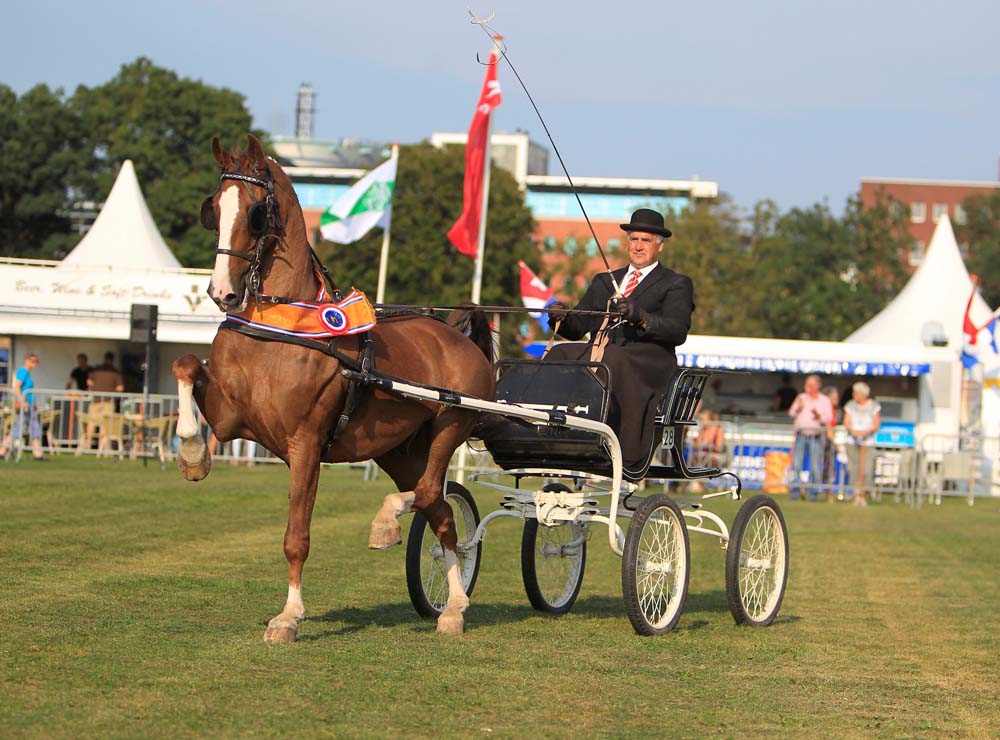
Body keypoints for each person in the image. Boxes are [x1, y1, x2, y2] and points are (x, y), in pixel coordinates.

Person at [546, 208, 694, 474]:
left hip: (648, 361)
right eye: (634, 239)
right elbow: (577, 327)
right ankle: (549, 433)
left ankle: (627, 454)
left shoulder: (675, 283)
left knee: (611, 358)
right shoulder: (605, 281)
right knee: (561, 354)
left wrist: (642, 317)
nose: (638, 246)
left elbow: (677, 330)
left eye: (645, 241)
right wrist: (560, 316)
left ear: (659, 246)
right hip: (604, 355)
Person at [788, 374, 834, 500]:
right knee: (797, 464)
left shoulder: (824, 400)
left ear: (817, 386)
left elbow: (829, 418)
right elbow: (791, 413)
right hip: (801, 435)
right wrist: (799, 408)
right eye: (806, 384)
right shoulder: (801, 398)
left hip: (816, 436)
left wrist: (818, 416)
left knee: (814, 465)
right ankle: (796, 491)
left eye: (810, 384)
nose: (807, 387)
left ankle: (813, 492)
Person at [0, 353, 45, 461]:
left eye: (36, 362)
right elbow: (17, 387)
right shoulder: (23, 371)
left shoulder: (26, 373)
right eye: (33, 361)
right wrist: (23, 400)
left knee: (32, 428)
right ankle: (2, 451)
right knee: (22, 428)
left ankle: (37, 453)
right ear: (27, 361)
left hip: (28, 405)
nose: (34, 364)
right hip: (25, 406)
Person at [843, 381, 882, 507]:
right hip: (852, 441)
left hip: (867, 441)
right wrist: (853, 431)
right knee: (853, 468)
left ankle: (862, 495)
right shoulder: (850, 405)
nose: (854, 394)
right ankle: (856, 495)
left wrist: (865, 432)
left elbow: (876, 424)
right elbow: (847, 421)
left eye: (856, 392)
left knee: (866, 469)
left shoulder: (873, 406)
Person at [80, 351, 125, 454]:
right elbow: (120, 388)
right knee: (105, 425)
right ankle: (103, 448)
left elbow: (89, 382)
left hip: (95, 400)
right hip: (108, 401)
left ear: (104, 358)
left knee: (91, 423)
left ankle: (87, 446)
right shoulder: (116, 372)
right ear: (112, 360)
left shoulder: (96, 369)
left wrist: (94, 389)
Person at [820, 386, 841, 503]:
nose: (837, 399)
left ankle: (828, 494)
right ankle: (828, 495)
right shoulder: (827, 410)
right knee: (828, 469)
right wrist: (835, 443)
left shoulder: (833, 410)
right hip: (826, 442)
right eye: (834, 397)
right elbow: (828, 428)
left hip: (828, 441)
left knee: (828, 469)